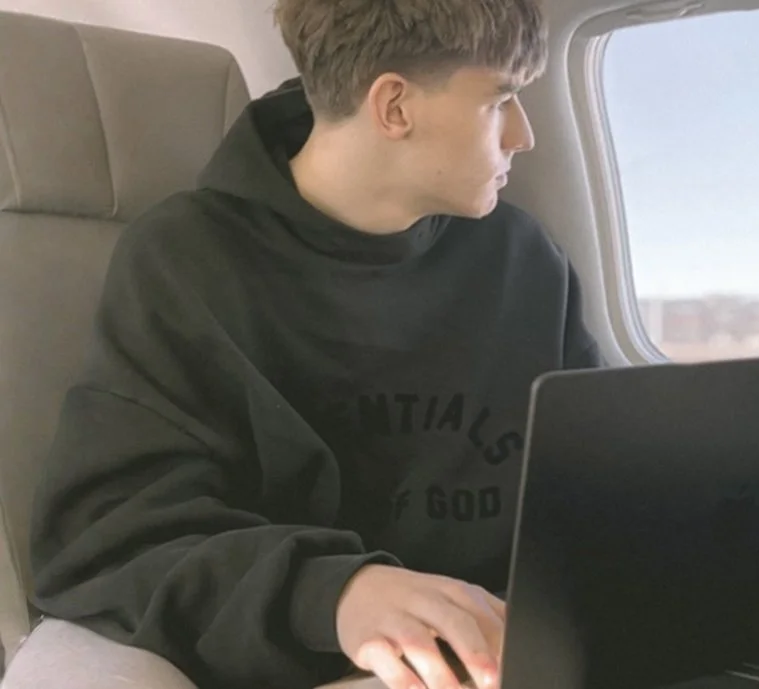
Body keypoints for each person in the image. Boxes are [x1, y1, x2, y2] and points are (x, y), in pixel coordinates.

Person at [26, 1, 603, 688]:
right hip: (276, 649)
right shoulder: (184, 260)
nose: (523, 135)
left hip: (484, 653)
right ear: (394, 107)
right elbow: (109, 542)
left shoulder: (524, 258)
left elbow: (589, 479)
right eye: (500, 100)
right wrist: (336, 591)